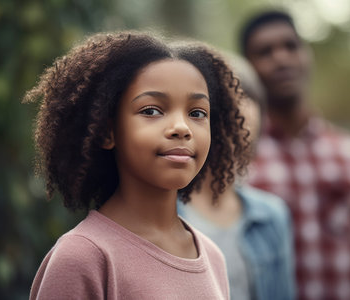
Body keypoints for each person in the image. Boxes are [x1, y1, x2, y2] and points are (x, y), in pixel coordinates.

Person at [24, 31, 251, 299]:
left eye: (197, 113)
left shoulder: (212, 257)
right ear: (107, 132)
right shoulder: (83, 257)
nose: (181, 127)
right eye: (151, 110)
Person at [240, 10, 350, 300]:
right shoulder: (239, 157)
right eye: (265, 52)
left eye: (290, 46)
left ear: (307, 55)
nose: (281, 58)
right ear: (248, 67)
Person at [178, 76, 296, 300]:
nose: (241, 108)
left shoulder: (271, 215)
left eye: (249, 98)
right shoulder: (163, 212)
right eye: (229, 98)